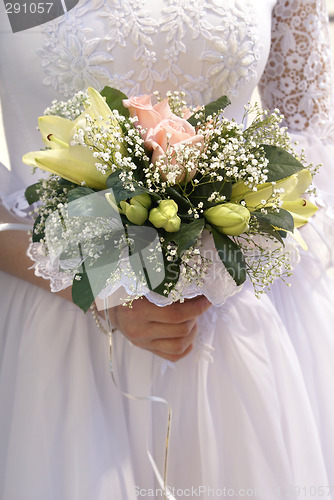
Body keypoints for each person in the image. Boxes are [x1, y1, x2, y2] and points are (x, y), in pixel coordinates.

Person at [1, 0, 334, 499]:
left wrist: (221, 250)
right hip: (57, 316)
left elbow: (312, 134)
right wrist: (103, 285)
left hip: (232, 319)